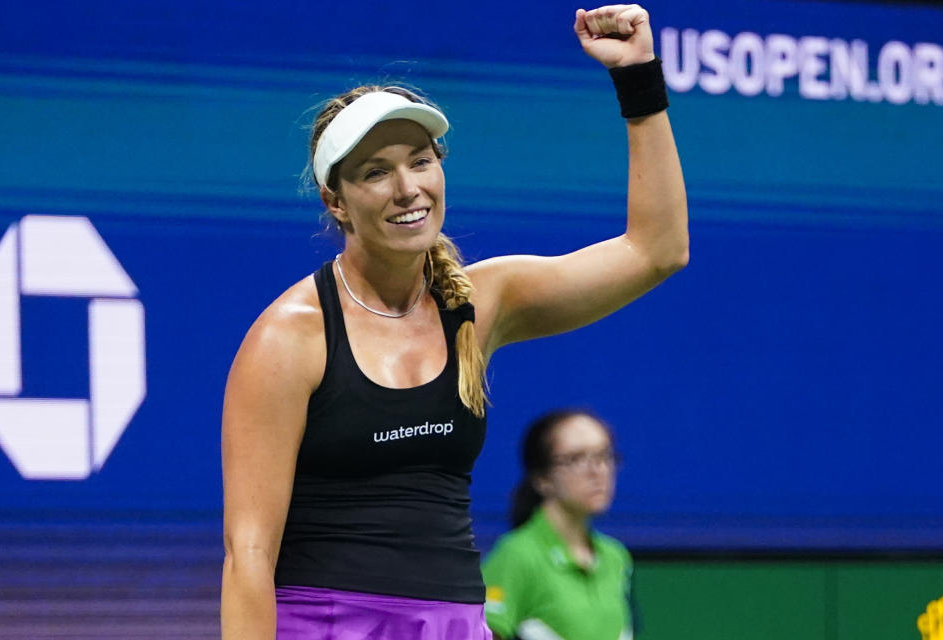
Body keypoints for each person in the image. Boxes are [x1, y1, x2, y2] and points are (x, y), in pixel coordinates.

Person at [221, 5, 688, 639]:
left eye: (420, 160)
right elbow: (248, 558)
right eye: (376, 172)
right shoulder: (289, 337)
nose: (407, 187)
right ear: (337, 201)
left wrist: (638, 79)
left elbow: (657, 250)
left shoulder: (482, 301)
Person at [482, 410, 637, 640]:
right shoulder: (516, 556)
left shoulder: (616, 557)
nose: (598, 471)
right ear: (542, 478)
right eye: (576, 459)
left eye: (604, 456)